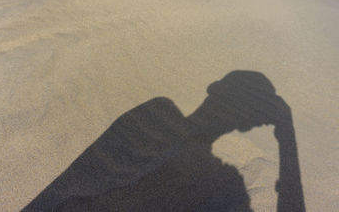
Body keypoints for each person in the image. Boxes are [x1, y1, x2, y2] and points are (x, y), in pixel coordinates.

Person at [23, 71, 305, 211]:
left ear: (213, 89)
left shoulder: (155, 113)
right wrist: (287, 138)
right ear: (249, 123)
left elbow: (67, 183)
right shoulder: (223, 183)